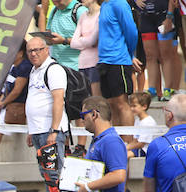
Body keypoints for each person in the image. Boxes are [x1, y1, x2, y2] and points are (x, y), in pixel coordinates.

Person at [25, 36, 69, 192]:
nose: (34, 54)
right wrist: (30, 130)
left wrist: (55, 129)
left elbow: (58, 100)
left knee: (54, 174)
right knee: (47, 174)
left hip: (50, 131)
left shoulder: (54, 69)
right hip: (38, 131)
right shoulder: (34, 71)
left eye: (37, 50)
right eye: (30, 51)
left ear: (46, 50)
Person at [97, 0, 138, 130]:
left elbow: (132, 32)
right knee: (111, 105)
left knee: (121, 103)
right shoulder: (104, 5)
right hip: (104, 61)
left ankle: (128, 142)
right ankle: (118, 141)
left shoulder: (119, 3)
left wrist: (130, 55)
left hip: (118, 60)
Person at [134, 0, 181, 100]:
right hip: (146, 16)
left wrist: (169, 15)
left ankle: (168, 89)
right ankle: (152, 90)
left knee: (165, 55)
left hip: (163, 14)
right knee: (150, 56)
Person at [70, 0, 102, 97]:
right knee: (86, 100)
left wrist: (82, 41)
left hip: (95, 62)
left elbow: (93, 40)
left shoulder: (101, 14)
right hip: (82, 64)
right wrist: (88, 42)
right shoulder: (83, 15)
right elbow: (73, 43)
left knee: (96, 100)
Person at [127, 91, 157, 158]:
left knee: (123, 155)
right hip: (138, 149)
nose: (131, 109)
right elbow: (135, 140)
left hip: (146, 150)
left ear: (144, 107)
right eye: (130, 106)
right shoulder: (137, 120)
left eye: (134, 106)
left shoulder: (148, 122)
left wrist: (126, 147)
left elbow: (141, 144)